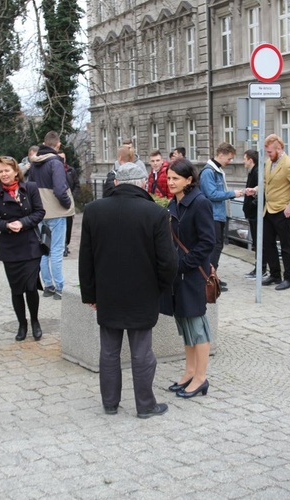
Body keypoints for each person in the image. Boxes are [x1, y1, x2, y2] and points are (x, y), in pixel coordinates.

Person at [79, 162, 178, 419]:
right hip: (143, 293)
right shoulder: (155, 213)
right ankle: (145, 405)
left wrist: (90, 294)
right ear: (143, 183)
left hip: (107, 293)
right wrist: (160, 289)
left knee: (109, 351)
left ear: (115, 183)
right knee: (142, 353)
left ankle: (110, 403)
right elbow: (167, 262)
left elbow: (85, 258)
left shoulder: (93, 210)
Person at [161, 158, 215, 398]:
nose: (170, 182)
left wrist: (183, 264)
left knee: (198, 327)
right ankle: (190, 372)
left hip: (192, 275)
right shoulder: (176, 203)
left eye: (175, 178)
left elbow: (207, 242)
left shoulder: (199, 203)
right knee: (185, 326)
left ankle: (201, 378)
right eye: (169, 178)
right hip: (178, 276)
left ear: (189, 180)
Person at [0, 156, 46, 341]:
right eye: (1, 171)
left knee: (30, 286)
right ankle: (22, 324)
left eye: (7, 170)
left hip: (30, 244)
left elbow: (40, 212)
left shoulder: (30, 188)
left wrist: (22, 222)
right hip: (10, 247)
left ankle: (35, 321)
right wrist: (7, 226)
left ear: (15, 171)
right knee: (16, 289)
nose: (4, 174)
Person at [246, 135, 290, 291]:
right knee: (268, 244)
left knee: (286, 246)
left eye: (270, 152)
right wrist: (255, 190)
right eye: (267, 152)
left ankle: (288, 278)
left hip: (282, 212)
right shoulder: (268, 163)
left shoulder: (289, 165)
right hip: (268, 209)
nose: (268, 154)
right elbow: (265, 183)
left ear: (279, 149)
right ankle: (275, 275)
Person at [27, 131, 74, 300]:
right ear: (58, 145)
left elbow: (29, 188)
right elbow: (61, 190)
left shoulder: (34, 164)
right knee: (56, 250)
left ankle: (48, 285)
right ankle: (60, 287)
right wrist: (67, 204)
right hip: (55, 212)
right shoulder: (55, 163)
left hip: (40, 212)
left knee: (44, 250)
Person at [199, 142, 243, 292]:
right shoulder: (208, 172)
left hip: (218, 215)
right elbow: (211, 194)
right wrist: (233, 193)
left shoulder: (215, 170)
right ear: (221, 154)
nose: (229, 162)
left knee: (217, 246)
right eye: (229, 158)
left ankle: (213, 276)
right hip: (213, 215)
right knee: (214, 247)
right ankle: (209, 279)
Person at [241, 149, 265, 279]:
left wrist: (252, 205)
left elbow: (260, 192)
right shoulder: (253, 171)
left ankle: (261, 269)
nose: (243, 161)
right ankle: (259, 268)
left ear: (251, 160)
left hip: (256, 213)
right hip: (252, 212)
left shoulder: (256, 172)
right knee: (257, 241)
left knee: (259, 241)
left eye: (245, 158)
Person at [62, 152, 80, 257]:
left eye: (63, 158)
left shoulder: (70, 170)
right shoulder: (53, 171)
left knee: (68, 224)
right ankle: (62, 245)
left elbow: (77, 185)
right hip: (58, 202)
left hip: (69, 200)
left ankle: (66, 244)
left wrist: (72, 196)